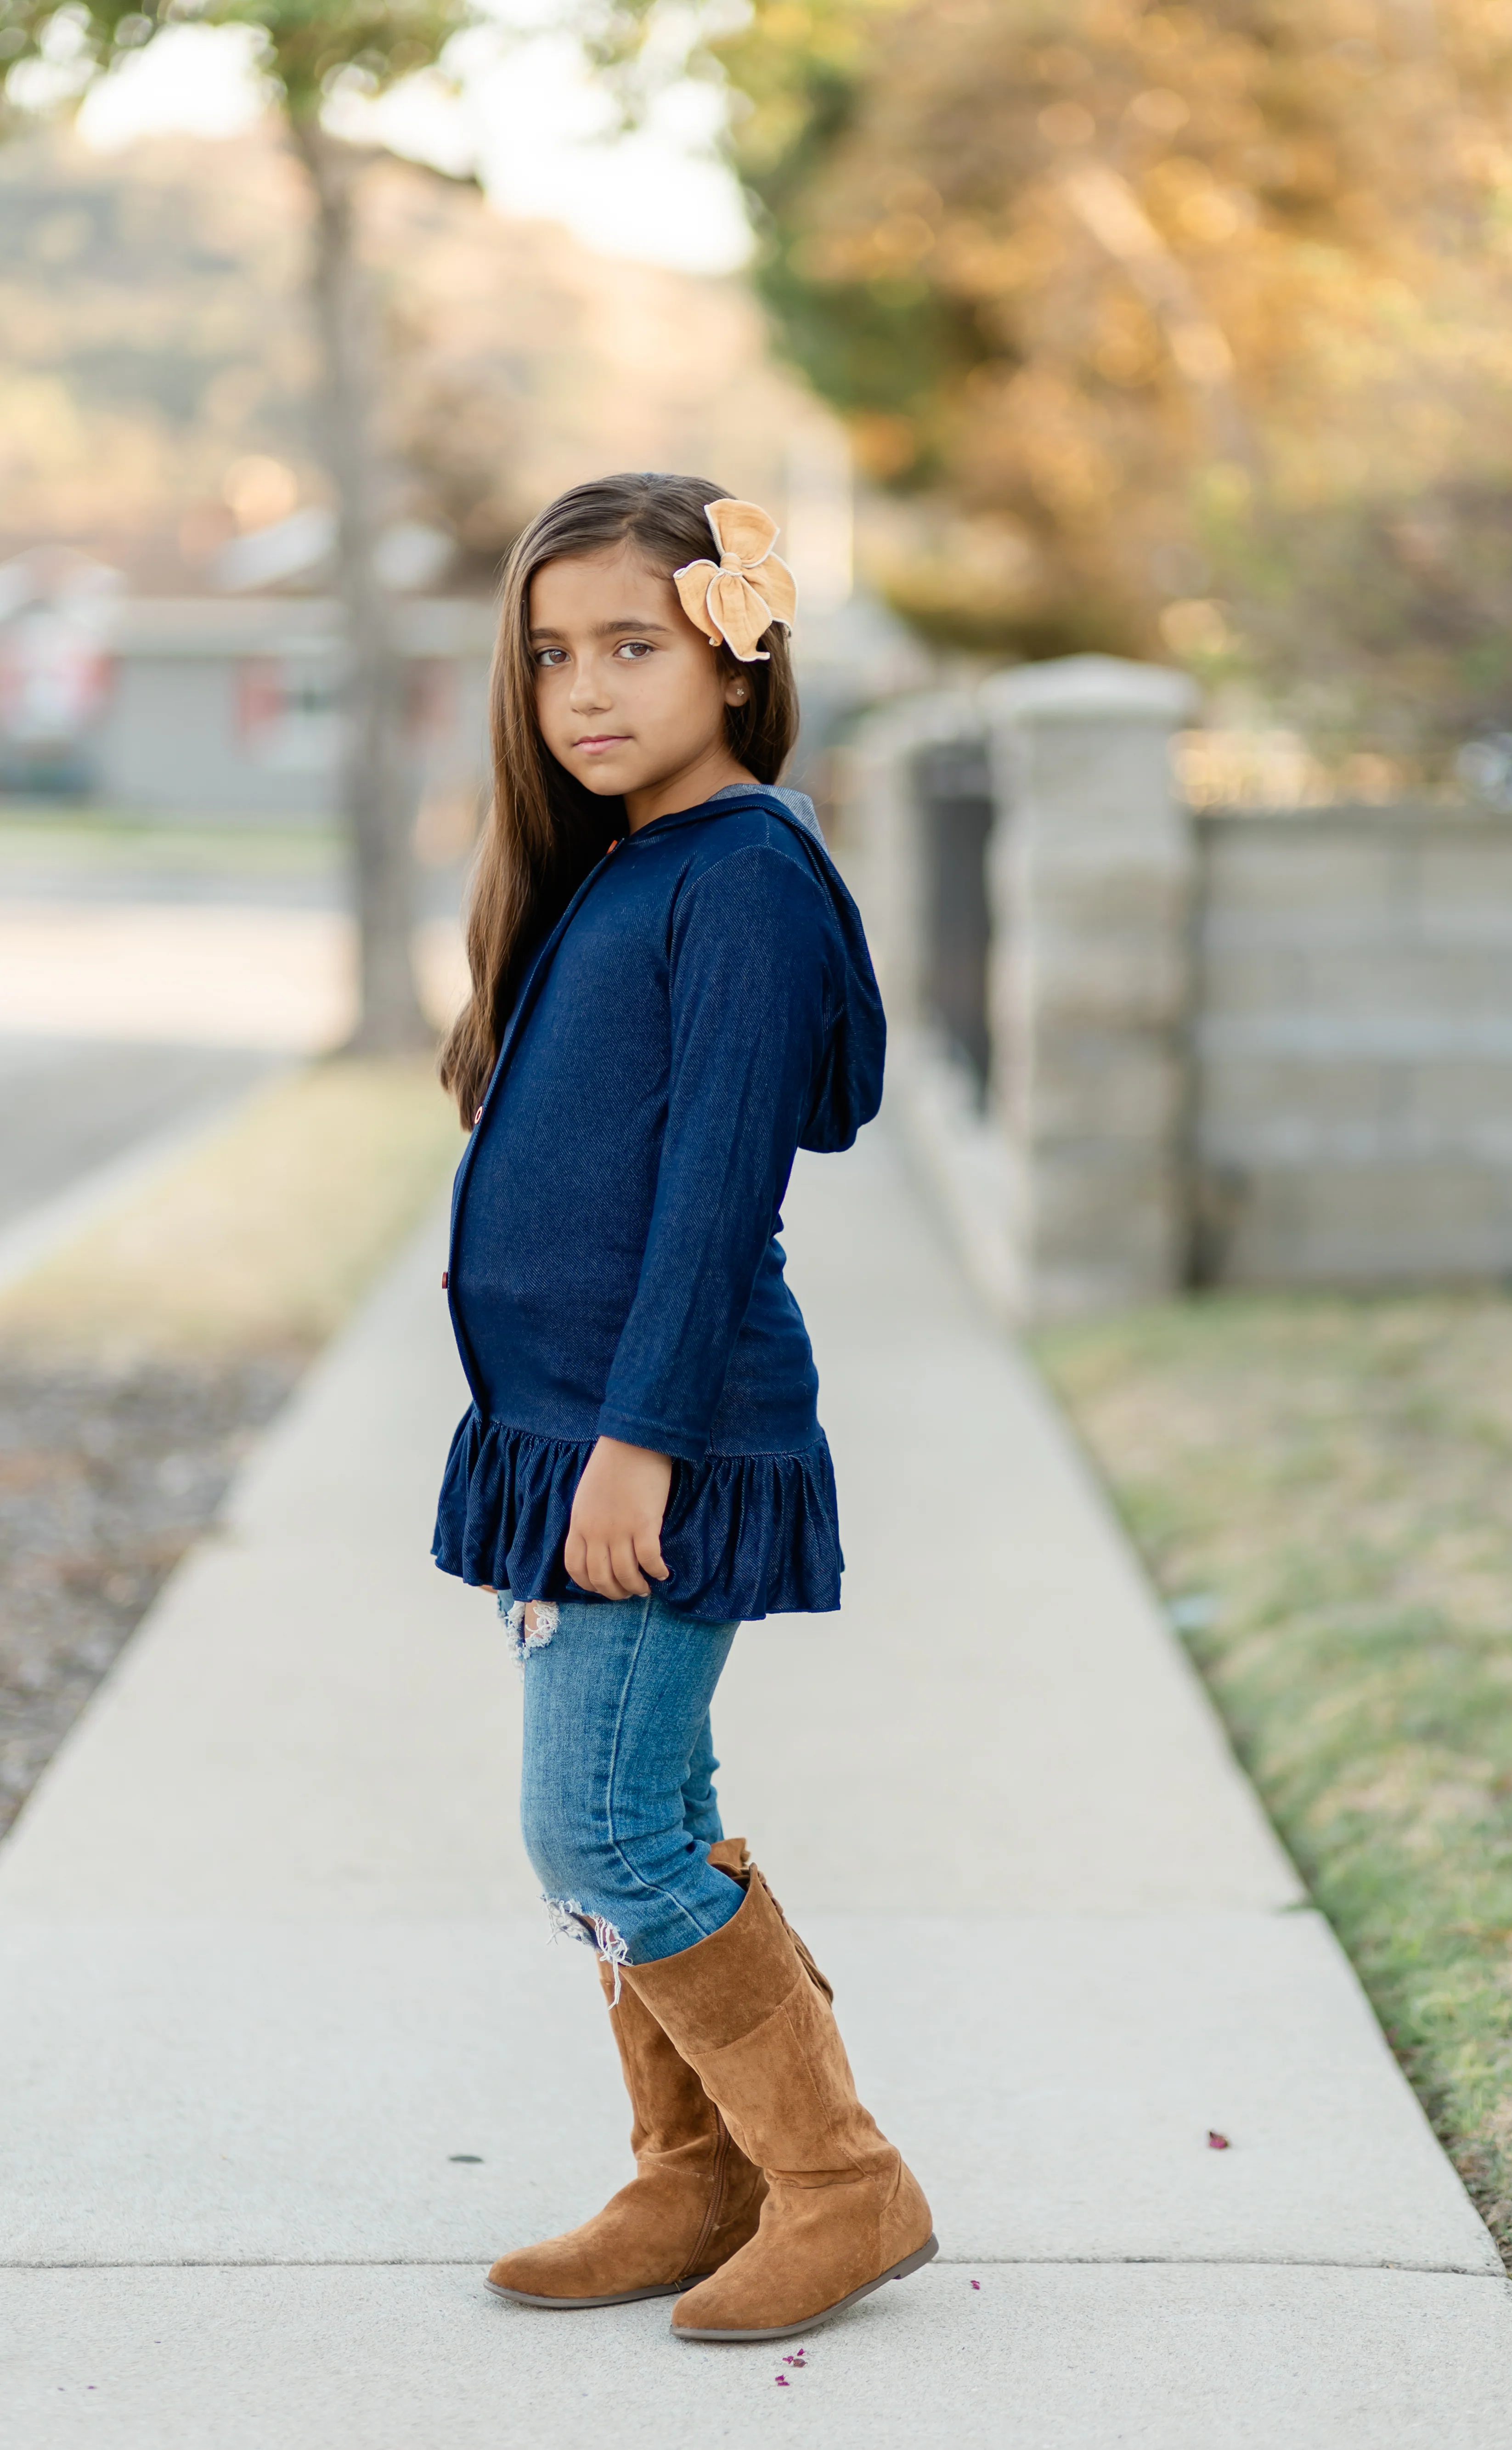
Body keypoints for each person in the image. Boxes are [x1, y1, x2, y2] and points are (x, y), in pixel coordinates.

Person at [433, 472, 936, 2342]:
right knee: (655, 1803)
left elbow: (720, 1187)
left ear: (734, 657)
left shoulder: (742, 875)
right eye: (551, 653)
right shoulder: (631, 860)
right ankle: (698, 2175)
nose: (585, 688)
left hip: (658, 1432)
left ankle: (841, 2180)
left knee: (597, 1831)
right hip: (573, 1426)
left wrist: (635, 1438)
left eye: (632, 644)